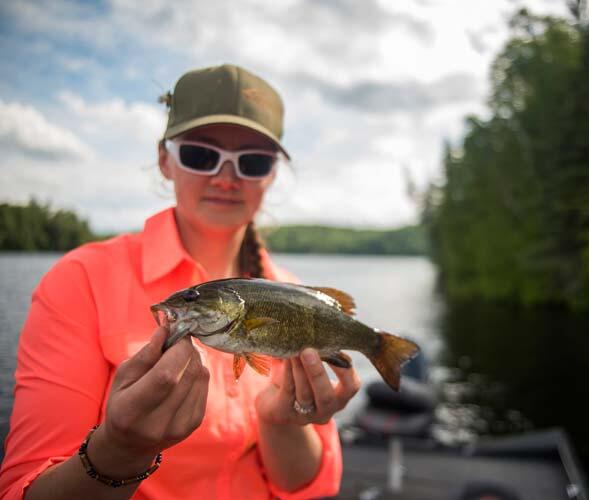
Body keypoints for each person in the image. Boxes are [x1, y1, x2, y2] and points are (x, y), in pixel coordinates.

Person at [0, 64, 360, 499]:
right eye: (202, 155)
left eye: (252, 161)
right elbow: (23, 488)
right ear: (164, 160)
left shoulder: (293, 291)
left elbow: (305, 485)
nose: (226, 177)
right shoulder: (80, 281)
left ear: (272, 173)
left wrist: (279, 422)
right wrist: (118, 450)